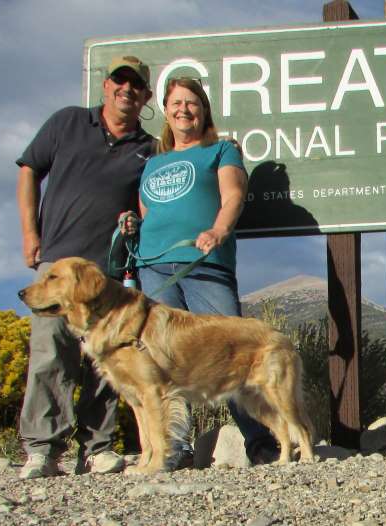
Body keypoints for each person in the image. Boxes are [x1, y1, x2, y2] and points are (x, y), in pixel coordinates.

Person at [15, 56, 155, 478]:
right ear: (105, 85)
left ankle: (98, 447)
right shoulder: (67, 123)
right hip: (58, 265)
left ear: (146, 96)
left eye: (135, 85)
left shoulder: (148, 148)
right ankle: (43, 449)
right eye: (119, 80)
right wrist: (29, 232)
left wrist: (138, 223)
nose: (126, 89)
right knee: (50, 355)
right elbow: (28, 171)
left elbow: (151, 204)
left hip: (111, 273)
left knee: (107, 359)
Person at [135, 76, 276, 470]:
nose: (184, 109)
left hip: (205, 263)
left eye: (192, 102)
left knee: (234, 352)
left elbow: (233, 195)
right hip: (154, 267)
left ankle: (262, 442)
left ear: (204, 110)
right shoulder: (153, 163)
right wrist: (132, 227)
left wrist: (218, 229)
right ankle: (173, 450)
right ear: (166, 110)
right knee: (164, 360)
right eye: (177, 102)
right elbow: (148, 213)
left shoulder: (219, 151)